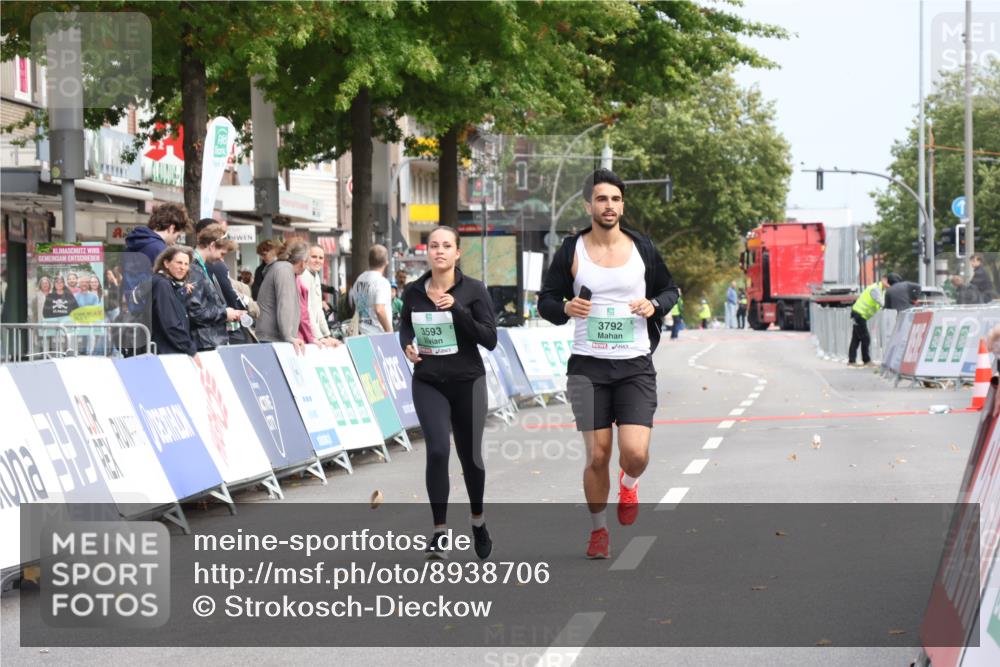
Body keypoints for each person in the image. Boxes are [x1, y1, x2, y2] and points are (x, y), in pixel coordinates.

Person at [537, 168, 679, 559]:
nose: (609, 206)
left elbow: (670, 289)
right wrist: (564, 306)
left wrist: (655, 305)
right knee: (597, 455)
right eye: (602, 199)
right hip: (588, 367)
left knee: (635, 453)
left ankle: (629, 482)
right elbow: (545, 301)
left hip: (634, 365)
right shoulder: (572, 251)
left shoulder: (642, 249)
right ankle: (599, 531)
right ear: (589, 205)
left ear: (622, 205)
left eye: (615, 199)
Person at [398, 225, 498, 561]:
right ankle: (439, 531)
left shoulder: (474, 290)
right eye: (433, 246)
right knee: (438, 451)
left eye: (446, 246)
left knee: (471, 458)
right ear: (427, 251)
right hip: (428, 380)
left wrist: (456, 309)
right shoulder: (413, 292)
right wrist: (408, 348)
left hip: (468, 382)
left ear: (457, 253)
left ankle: (478, 521)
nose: (439, 251)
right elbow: (406, 328)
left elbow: (489, 339)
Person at [187, 224, 243, 352]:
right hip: (203, 343)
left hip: (206, 341)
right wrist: (225, 313)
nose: (222, 259)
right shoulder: (194, 269)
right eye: (222, 254)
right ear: (212, 246)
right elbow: (196, 312)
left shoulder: (198, 267)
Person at [256, 241, 313, 353]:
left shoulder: (282, 268)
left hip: (270, 337)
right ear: (303, 262)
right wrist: (289, 336)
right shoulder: (285, 271)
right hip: (272, 339)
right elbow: (285, 304)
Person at [150, 246, 196, 356]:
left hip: (165, 350)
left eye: (186, 264)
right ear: (166, 263)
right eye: (179, 263)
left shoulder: (171, 285)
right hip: (163, 352)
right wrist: (191, 350)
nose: (183, 267)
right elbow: (170, 322)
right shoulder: (162, 284)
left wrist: (181, 292)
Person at [848, 274, 891, 367]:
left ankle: (851, 361)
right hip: (859, 314)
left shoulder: (881, 290)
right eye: (888, 282)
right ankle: (866, 361)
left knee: (856, 338)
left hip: (859, 314)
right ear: (883, 280)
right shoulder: (875, 289)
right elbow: (882, 302)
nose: (889, 285)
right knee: (865, 338)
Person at [299, 245, 338, 347]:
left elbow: (318, 310)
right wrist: (320, 337)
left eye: (321, 258)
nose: (318, 260)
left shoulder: (315, 275)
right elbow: (307, 310)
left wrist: (327, 335)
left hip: (312, 334)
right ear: (306, 257)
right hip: (305, 335)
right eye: (314, 257)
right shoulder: (304, 275)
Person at [350, 244, 393, 333]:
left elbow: (354, 304)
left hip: (360, 331)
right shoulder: (382, 282)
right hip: (377, 335)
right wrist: (389, 331)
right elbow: (379, 309)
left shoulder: (359, 279)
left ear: (369, 261)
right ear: (386, 262)